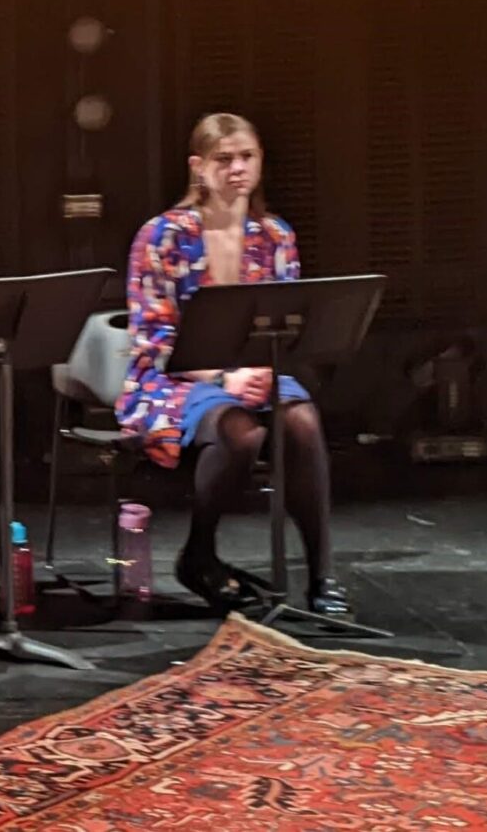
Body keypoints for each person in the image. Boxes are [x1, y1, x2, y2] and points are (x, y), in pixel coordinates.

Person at [122, 113, 350, 619]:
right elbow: (156, 338)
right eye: (224, 159)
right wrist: (225, 378)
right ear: (198, 168)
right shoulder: (161, 236)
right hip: (179, 379)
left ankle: (322, 576)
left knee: (301, 419)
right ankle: (199, 552)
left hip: (254, 371)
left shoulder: (275, 236)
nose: (237, 169)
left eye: (247, 157)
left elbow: (288, 322)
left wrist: (267, 367)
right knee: (241, 433)